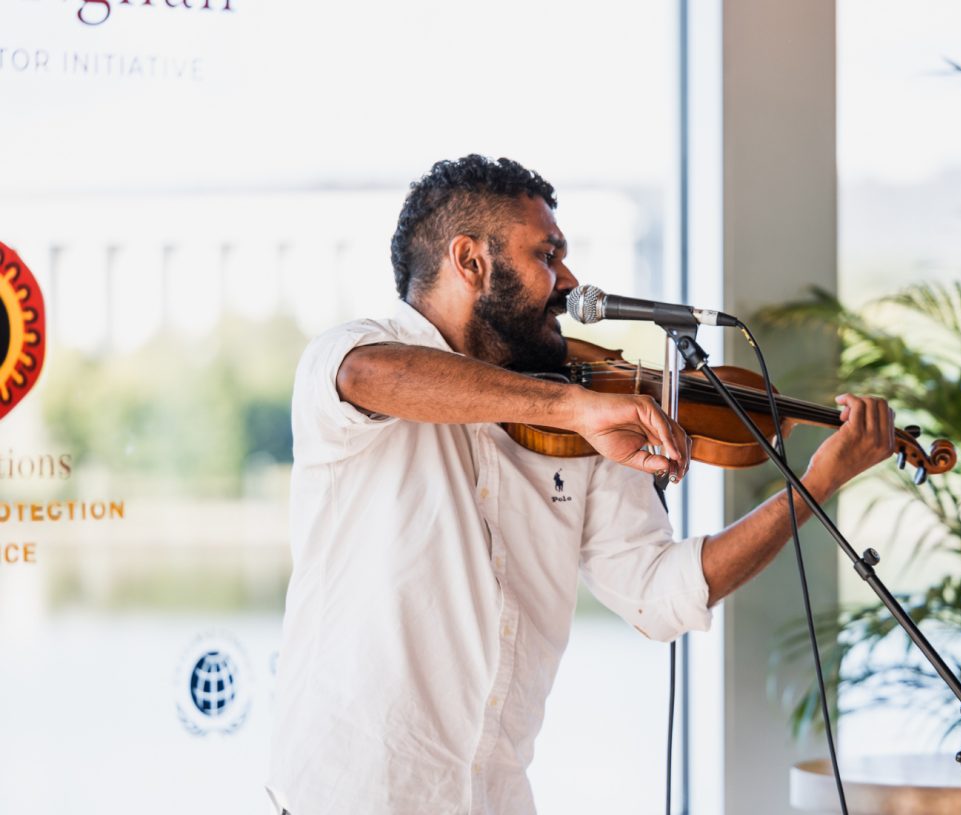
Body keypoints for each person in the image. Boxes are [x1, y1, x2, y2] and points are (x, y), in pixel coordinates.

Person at [267, 154, 895, 815]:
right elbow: (368, 375)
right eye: (548, 254)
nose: (568, 281)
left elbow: (659, 594)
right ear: (470, 261)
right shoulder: (355, 353)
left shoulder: (588, 403)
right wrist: (574, 410)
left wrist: (817, 483)